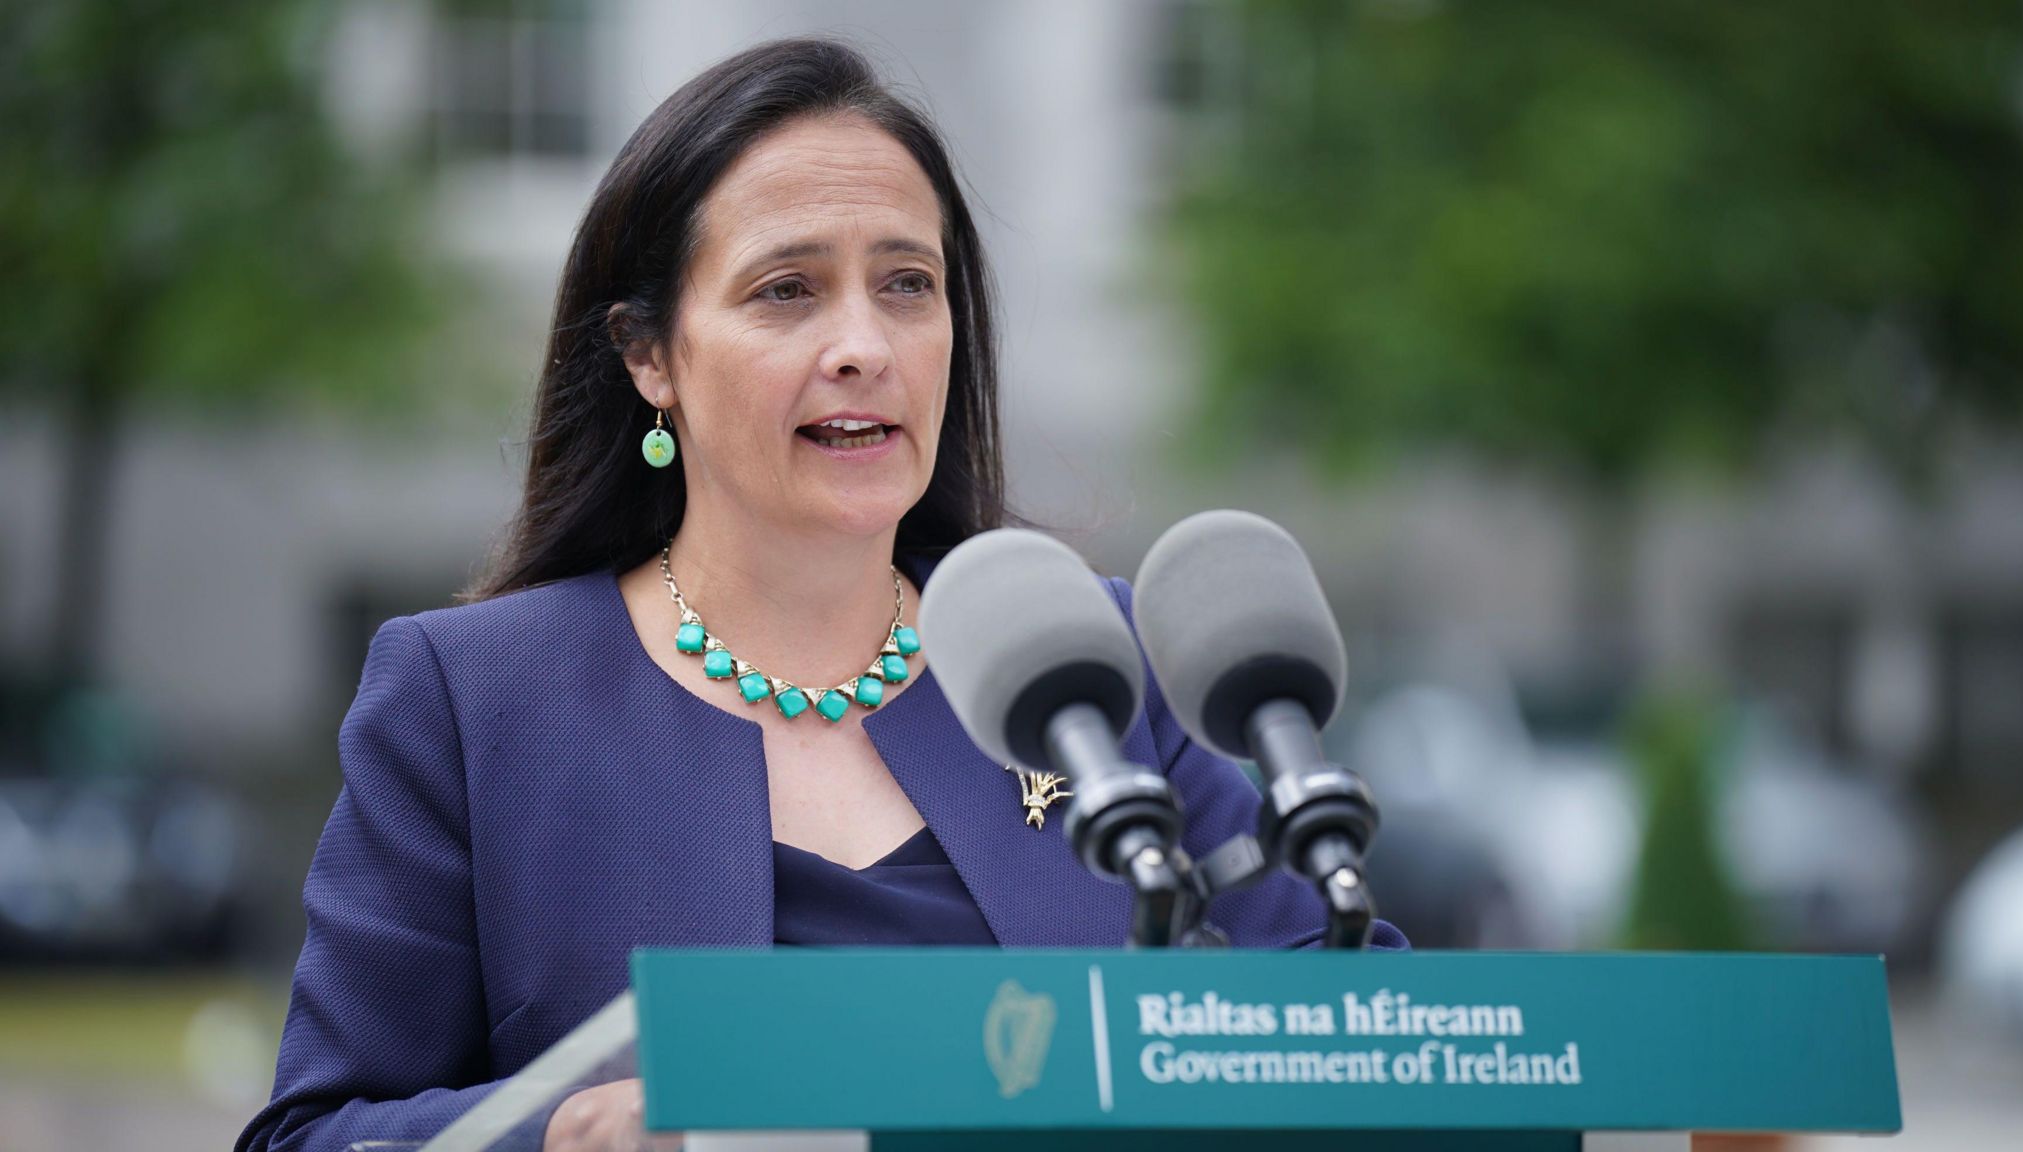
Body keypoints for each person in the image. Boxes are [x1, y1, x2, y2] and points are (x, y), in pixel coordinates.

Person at [237, 36, 1407, 1152]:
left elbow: (1355, 1034)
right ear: (650, 355)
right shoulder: (474, 700)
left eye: (906, 284)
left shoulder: (1085, 667)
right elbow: (313, 1132)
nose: (864, 344)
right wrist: (556, 1133)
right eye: (787, 291)